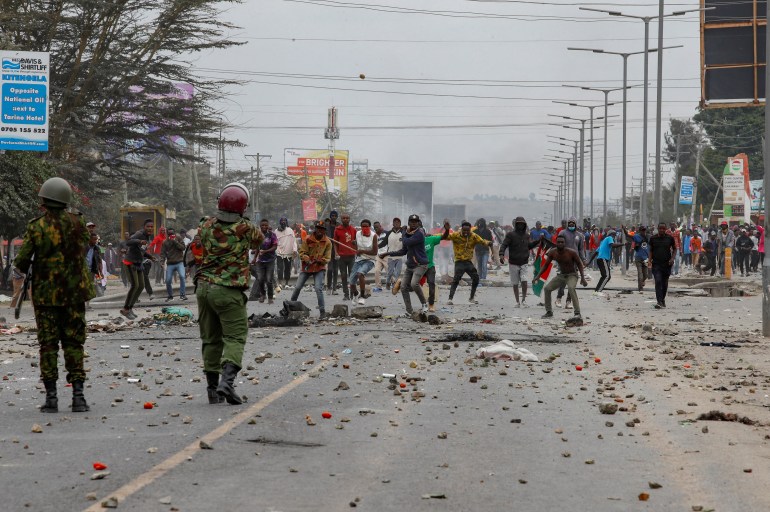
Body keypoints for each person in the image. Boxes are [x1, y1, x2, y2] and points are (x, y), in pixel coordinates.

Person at [13, 177, 96, 413]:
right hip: (74, 294)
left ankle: (51, 398)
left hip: (46, 296)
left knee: (48, 345)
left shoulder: (36, 226)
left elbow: (22, 259)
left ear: (45, 200)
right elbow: (83, 246)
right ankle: (78, 397)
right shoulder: (78, 223)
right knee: (74, 343)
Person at [196, 182, 264, 405]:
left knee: (210, 339)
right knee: (234, 337)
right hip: (228, 291)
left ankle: (212, 389)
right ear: (243, 207)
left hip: (204, 289)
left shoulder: (205, 226)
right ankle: (227, 382)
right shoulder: (247, 229)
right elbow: (259, 240)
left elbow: (202, 235)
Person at [533, 233, 587, 322]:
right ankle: (549, 311)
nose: (560, 244)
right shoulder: (553, 252)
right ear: (556, 243)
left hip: (572, 275)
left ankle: (577, 313)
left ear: (565, 243)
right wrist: (538, 276)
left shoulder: (571, 252)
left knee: (571, 288)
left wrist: (583, 278)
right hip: (561, 275)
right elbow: (546, 265)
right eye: (558, 242)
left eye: (562, 242)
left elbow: (579, 265)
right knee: (547, 289)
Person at [385, 214, 429, 317]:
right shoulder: (408, 233)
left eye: (416, 222)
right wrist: (388, 253)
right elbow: (403, 251)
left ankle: (424, 303)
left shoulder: (420, 233)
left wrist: (403, 231)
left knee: (414, 284)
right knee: (404, 287)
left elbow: (406, 241)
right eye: (412, 221)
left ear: (418, 223)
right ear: (409, 223)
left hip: (420, 264)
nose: (413, 223)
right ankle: (409, 311)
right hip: (410, 265)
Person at [442, 220, 491, 305]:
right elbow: (445, 237)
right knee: (456, 280)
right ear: (461, 229)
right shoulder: (456, 235)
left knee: (476, 278)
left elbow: (482, 241)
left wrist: (489, 243)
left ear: (470, 230)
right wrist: (446, 230)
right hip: (459, 261)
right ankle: (450, 299)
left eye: (467, 230)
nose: (466, 232)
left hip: (468, 262)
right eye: (464, 230)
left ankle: (471, 298)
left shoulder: (473, 236)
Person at [291, 222, 332, 319]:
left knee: (318, 288)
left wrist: (321, 260)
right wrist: (306, 258)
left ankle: (322, 312)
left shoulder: (327, 242)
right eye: (318, 229)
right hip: (307, 267)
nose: (319, 231)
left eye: (322, 229)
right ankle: (290, 306)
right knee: (297, 287)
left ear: (324, 231)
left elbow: (328, 257)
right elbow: (302, 252)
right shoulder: (308, 239)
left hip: (319, 268)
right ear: (315, 229)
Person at [499, 217, 540, 307]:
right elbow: (504, 245)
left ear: (524, 225)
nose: (520, 225)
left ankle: (524, 300)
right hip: (513, 262)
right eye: (519, 224)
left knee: (524, 280)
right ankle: (517, 301)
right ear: (516, 224)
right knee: (515, 283)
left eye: (522, 224)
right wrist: (501, 254)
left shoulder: (527, 236)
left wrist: (538, 241)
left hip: (524, 262)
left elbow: (529, 246)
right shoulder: (510, 235)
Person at [121, 219, 155, 318]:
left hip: (138, 263)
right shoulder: (139, 234)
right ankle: (125, 309)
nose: (150, 228)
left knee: (141, 286)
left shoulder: (148, 236)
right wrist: (140, 241)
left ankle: (130, 308)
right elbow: (129, 242)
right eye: (148, 226)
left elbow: (141, 249)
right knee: (135, 285)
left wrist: (150, 256)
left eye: (151, 227)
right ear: (144, 227)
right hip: (130, 262)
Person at [349, 219, 378, 305]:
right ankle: (356, 294)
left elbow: (375, 252)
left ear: (370, 227)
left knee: (360, 274)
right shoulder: (358, 233)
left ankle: (362, 296)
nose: (365, 228)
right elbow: (357, 246)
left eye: (366, 226)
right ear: (361, 227)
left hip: (370, 260)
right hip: (359, 259)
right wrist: (355, 244)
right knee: (351, 281)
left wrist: (362, 251)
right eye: (363, 226)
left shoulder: (374, 236)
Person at [249, 219, 278, 303]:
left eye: (266, 225)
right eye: (262, 225)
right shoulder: (258, 236)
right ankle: (263, 295)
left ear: (268, 225)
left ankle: (270, 297)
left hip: (270, 260)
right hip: (260, 261)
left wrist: (266, 251)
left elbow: (275, 247)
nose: (264, 227)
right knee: (260, 279)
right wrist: (254, 259)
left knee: (269, 280)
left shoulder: (272, 235)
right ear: (260, 226)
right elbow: (258, 248)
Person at [648, 222, 676, 309]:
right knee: (658, 281)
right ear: (658, 228)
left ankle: (662, 299)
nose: (662, 230)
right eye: (660, 228)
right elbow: (650, 250)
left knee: (664, 283)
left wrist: (672, 259)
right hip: (656, 263)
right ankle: (658, 301)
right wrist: (649, 260)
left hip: (667, 264)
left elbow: (675, 249)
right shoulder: (653, 238)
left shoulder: (670, 238)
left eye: (663, 228)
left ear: (666, 229)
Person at [587, 229, 623, 294]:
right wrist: (622, 244)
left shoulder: (603, 242)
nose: (614, 237)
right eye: (614, 235)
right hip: (603, 259)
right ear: (611, 234)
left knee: (604, 276)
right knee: (607, 276)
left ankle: (596, 290)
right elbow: (613, 245)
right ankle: (598, 291)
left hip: (600, 259)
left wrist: (589, 262)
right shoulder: (609, 238)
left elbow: (595, 253)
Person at [333, 213, 357, 301]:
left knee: (352, 275)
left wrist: (355, 243)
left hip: (351, 256)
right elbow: (335, 243)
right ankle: (346, 294)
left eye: (347, 218)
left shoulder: (353, 229)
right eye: (344, 218)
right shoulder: (337, 229)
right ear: (341, 219)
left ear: (349, 219)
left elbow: (356, 242)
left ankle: (352, 294)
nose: (345, 219)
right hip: (342, 257)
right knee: (343, 276)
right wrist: (336, 253)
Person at [161, 227, 187, 301]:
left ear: (174, 233)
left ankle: (182, 295)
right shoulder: (165, 242)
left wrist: (175, 241)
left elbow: (183, 248)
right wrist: (162, 262)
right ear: (167, 234)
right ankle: (170, 296)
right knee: (168, 280)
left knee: (182, 276)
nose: (171, 235)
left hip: (179, 262)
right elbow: (162, 253)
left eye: (172, 233)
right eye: (169, 234)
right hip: (170, 263)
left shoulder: (178, 238)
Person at [624, 225, 649, 292]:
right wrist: (624, 229)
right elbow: (628, 235)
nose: (643, 232)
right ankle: (640, 288)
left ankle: (642, 281)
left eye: (644, 230)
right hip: (638, 258)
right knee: (640, 274)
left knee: (646, 275)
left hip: (646, 258)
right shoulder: (636, 236)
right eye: (642, 230)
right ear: (640, 231)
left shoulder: (648, 237)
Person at [275, 217, 297, 288]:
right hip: (279, 253)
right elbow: (275, 242)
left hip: (288, 253)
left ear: (286, 222)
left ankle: (287, 283)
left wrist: (294, 250)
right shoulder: (276, 231)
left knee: (287, 268)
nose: (283, 222)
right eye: (282, 221)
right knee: (280, 268)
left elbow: (294, 241)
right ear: (280, 222)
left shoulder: (290, 230)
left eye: (284, 221)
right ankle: (280, 283)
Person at [384, 218, 404, 291]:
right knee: (390, 272)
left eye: (398, 222)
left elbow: (407, 243)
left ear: (400, 224)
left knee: (397, 272)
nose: (396, 223)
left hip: (400, 256)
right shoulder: (389, 233)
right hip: (391, 256)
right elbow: (384, 242)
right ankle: (387, 282)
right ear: (393, 224)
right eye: (395, 222)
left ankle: (394, 285)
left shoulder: (403, 233)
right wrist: (377, 246)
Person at [324, 211, 339, 294]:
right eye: (332, 216)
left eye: (335, 216)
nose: (333, 217)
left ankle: (334, 289)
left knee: (336, 270)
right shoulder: (326, 225)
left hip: (337, 249)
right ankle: (328, 287)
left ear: (337, 217)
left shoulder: (338, 225)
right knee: (329, 269)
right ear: (330, 217)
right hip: (328, 249)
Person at [372, 221, 389, 291]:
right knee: (376, 271)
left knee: (389, 271)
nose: (376, 228)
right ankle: (378, 287)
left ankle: (395, 283)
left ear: (380, 226)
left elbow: (390, 243)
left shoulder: (386, 233)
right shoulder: (373, 235)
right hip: (378, 256)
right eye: (375, 227)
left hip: (386, 255)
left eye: (377, 227)